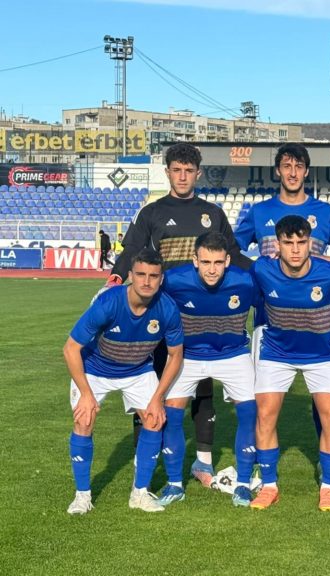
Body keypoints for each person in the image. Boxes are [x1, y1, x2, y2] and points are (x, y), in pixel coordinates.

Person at [107, 142, 252, 487]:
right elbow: (132, 252)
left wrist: (267, 272)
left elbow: (233, 254)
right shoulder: (153, 213)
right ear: (168, 171)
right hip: (160, 312)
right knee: (151, 387)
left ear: (198, 174)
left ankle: (201, 464)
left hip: (199, 315)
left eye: (189, 171)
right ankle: (149, 459)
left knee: (202, 391)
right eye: (177, 170)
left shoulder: (212, 213)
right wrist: (115, 276)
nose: (183, 176)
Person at [235, 143, 330, 438]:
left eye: (298, 167)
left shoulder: (324, 213)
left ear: (306, 171)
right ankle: (259, 464)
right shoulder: (260, 212)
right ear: (278, 170)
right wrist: (259, 267)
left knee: (324, 399)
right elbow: (232, 250)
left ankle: (324, 455)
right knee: (264, 401)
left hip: (315, 321)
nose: (292, 173)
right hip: (268, 323)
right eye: (287, 166)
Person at [248, 216, 330, 512]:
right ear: (277, 244)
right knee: (265, 415)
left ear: (310, 242)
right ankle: (269, 485)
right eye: (288, 243)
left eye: (301, 242)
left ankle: (328, 487)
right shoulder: (262, 269)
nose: (295, 249)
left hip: (321, 355)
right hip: (276, 353)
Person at [63, 249, 183, 514]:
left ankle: (139, 494)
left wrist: (157, 399)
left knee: (154, 419)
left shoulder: (167, 308)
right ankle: (82, 496)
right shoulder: (109, 303)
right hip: (95, 369)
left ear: (161, 279)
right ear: (130, 276)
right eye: (141, 274)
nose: (147, 281)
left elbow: (175, 355)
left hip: (138, 370)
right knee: (84, 420)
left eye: (154, 276)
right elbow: (71, 348)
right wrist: (85, 393)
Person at [156, 232, 259, 507]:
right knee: (173, 413)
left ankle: (244, 483)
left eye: (217, 262)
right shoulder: (174, 281)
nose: (212, 269)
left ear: (227, 261)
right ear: (194, 260)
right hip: (188, 356)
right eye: (205, 262)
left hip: (233, 354)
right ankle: (174, 484)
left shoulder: (246, 281)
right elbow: (146, 296)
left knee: (249, 412)